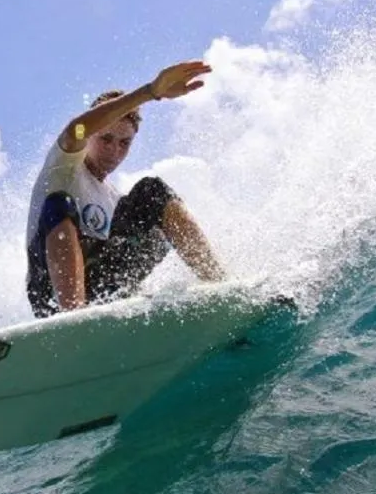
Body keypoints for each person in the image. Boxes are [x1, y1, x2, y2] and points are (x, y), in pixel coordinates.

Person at [25, 60, 227, 318]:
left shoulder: (115, 200)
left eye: (124, 143)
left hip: (99, 293)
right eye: (106, 139)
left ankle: (220, 286)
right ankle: (73, 318)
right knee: (59, 201)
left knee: (153, 192)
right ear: (91, 136)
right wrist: (150, 92)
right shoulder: (63, 167)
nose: (114, 151)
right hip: (49, 296)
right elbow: (77, 130)